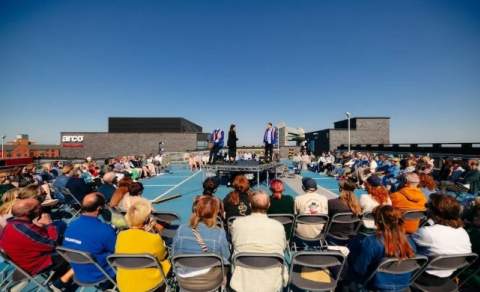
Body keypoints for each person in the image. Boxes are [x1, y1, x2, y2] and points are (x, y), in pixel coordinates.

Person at [0, 198, 74, 290]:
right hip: (37, 264)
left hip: (22, 261)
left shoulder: (12, 224)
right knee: (77, 252)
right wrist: (49, 224)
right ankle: (58, 284)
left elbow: (37, 239)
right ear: (28, 213)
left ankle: (60, 276)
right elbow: (52, 244)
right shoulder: (25, 230)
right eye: (39, 207)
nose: (41, 209)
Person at [345, 205, 416, 291]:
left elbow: (359, 270)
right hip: (402, 286)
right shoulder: (410, 242)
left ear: (378, 221)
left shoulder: (371, 242)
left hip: (375, 287)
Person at [230, 191, 288, 292]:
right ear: (269, 205)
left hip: (242, 279)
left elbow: (234, 243)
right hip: (272, 280)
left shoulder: (237, 223)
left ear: (250, 205)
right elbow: (282, 247)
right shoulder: (278, 226)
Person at [172, 196, 230, 290]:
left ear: (196, 210)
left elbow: (174, 254)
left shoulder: (181, 229)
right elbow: (226, 257)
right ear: (215, 212)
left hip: (184, 280)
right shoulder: (219, 233)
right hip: (210, 281)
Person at [412, 193, 472, 287]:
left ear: (434, 212)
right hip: (447, 277)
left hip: (422, 276)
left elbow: (405, 247)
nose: (426, 208)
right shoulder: (464, 232)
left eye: (427, 206)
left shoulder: (427, 232)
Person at [115, 198, 171, 292]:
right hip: (149, 284)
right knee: (168, 260)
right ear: (147, 220)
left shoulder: (121, 236)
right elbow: (162, 256)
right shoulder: (153, 238)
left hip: (125, 284)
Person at [63, 192, 117, 288]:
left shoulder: (71, 226)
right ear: (99, 208)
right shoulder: (104, 230)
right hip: (101, 272)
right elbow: (117, 251)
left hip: (79, 272)